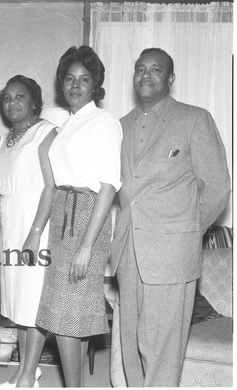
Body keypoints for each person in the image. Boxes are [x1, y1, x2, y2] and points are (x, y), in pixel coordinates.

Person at [110, 47, 230, 387]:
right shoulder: (119, 126)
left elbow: (218, 186)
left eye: (155, 69)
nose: (146, 75)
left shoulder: (194, 119)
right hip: (128, 251)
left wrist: (186, 232)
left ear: (171, 78)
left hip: (172, 252)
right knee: (130, 343)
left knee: (162, 345)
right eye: (139, 69)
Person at [35, 45, 122, 387]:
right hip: (63, 215)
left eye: (84, 79)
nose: (75, 85)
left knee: (66, 314)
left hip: (87, 216)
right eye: (69, 78)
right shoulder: (68, 123)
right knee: (72, 313)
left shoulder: (104, 121)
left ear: (95, 84)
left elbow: (109, 185)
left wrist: (87, 245)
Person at [0, 75, 57, 388]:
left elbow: (50, 186)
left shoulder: (45, 132)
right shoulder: (6, 139)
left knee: (33, 302)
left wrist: (35, 232)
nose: (12, 103)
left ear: (34, 102)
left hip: (34, 224)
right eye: (7, 97)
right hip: (9, 222)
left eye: (20, 97)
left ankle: (29, 377)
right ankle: (22, 370)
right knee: (18, 302)